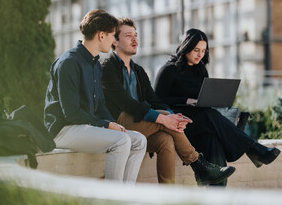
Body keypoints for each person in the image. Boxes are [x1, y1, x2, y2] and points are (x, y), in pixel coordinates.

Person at [101, 18, 235, 185]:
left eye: (136, 35)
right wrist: (165, 118)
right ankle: (198, 165)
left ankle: (168, 195)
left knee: (166, 140)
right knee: (164, 118)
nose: (135, 39)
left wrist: (175, 117)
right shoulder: (107, 68)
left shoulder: (138, 71)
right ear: (114, 40)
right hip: (116, 123)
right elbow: (127, 104)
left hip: (138, 125)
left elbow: (154, 100)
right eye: (128, 36)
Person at [154, 28, 281, 186]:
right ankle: (254, 149)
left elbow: (202, 100)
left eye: (203, 51)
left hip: (201, 123)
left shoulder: (201, 71)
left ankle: (217, 196)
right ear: (185, 47)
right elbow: (156, 101)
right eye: (195, 50)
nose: (200, 54)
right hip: (178, 122)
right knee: (208, 114)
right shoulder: (168, 70)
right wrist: (186, 100)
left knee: (213, 142)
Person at [44, 9, 146, 184]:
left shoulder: (95, 64)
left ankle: (126, 195)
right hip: (63, 129)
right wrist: (105, 125)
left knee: (139, 140)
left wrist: (112, 124)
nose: (114, 41)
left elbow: (99, 106)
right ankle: (112, 199)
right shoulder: (68, 62)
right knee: (121, 142)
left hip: (84, 125)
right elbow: (71, 113)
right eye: (113, 35)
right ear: (101, 35)